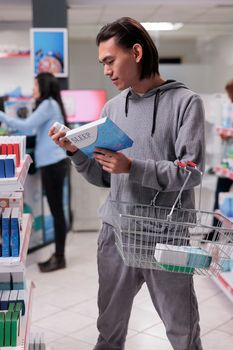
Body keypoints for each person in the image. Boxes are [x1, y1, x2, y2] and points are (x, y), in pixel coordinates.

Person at [49, 17, 205, 350]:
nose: (106, 70)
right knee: (109, 331)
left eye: (110, 60)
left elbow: (191, 171)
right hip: (116, 234)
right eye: (102, 62)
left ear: (135, 52)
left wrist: (133, 167)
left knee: (183, 333)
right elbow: (105, 176)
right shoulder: (112, 109)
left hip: (168, 238)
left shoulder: (186, 103)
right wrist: (76, 152)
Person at [0, 72, 69, 273]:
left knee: (57, 212)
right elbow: (32, 130)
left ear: (44, 86)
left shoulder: (48, 104)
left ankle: (59, 257)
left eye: (35, 85)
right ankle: (59, 255)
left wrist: (1, 115)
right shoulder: (50, 105)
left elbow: (28, 125)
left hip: (53, 164)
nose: (33, 89)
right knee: (57, 211)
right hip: (53, 163)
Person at [206, 79, 233, 241]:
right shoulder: (228, 108)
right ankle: (214, 231)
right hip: (227, 162)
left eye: (230, 92)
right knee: (219, 196)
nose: (229, 96)